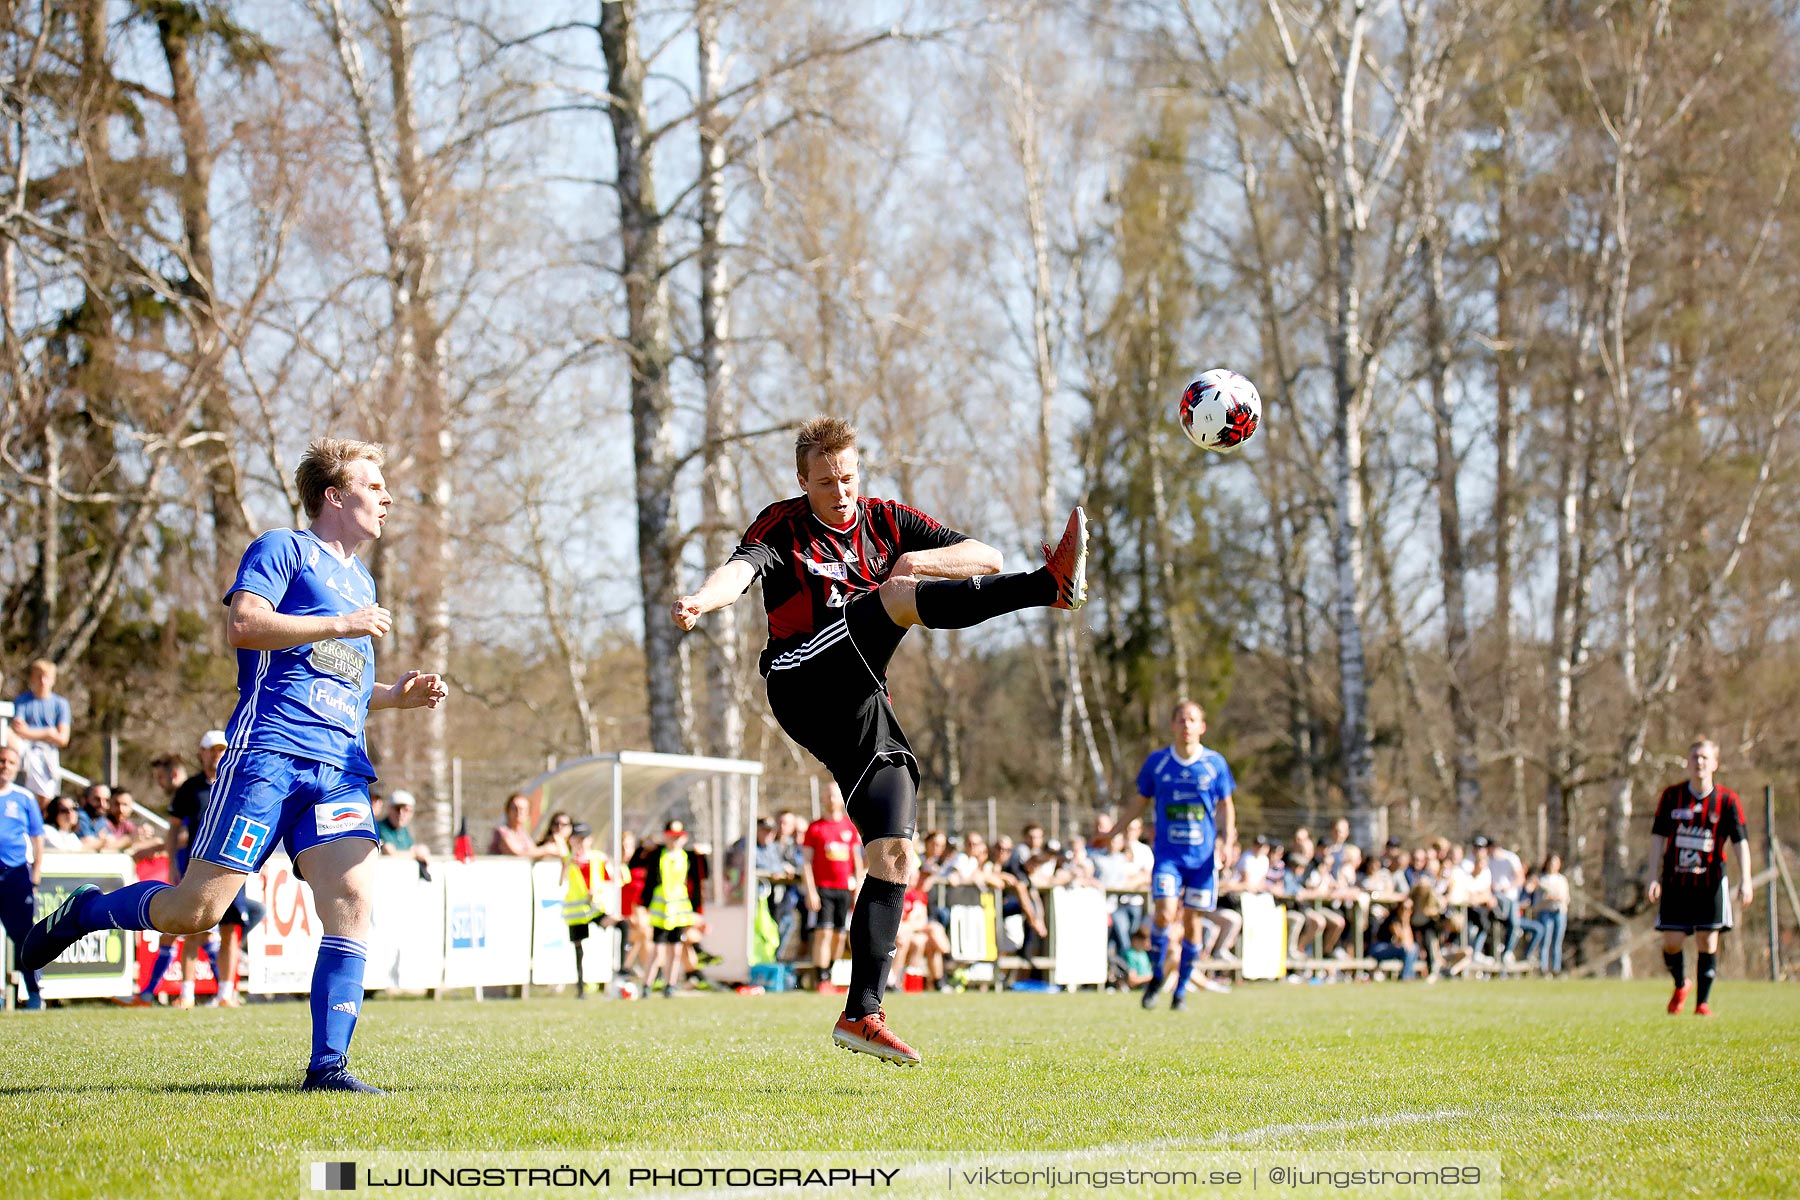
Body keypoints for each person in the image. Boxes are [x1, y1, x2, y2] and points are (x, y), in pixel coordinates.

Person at [20, 438, 446, 1091]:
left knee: (353, 898)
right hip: (267, 755)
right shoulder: (283, 549)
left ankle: (328, 1068)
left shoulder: (360, 581)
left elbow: (342, 685)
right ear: (335, 495)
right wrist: (340, 624)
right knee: (196, 913)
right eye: (374, 484)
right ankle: (84, 912)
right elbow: (245, 625)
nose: (387, 497)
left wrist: (395, 696)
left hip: (337, 767)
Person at [672, 416, 1087, 1064]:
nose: (839, 492)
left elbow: (987, 556)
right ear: (801, 480)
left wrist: (921, 560)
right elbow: (740, 571)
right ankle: (1050, 589)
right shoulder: (782, 525)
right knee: (895, 599)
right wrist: (701, 599)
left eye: (848, 477)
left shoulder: (886, 520)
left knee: (894, 851)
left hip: (862, 699)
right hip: (801, 677)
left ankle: (861, 1012)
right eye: (825, 481)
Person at [1118, 699, 1237, 1013]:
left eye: (1192, 720)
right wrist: (1117, 828)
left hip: (1202, 860)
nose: (1186, 725)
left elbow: (1226, 805)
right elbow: (1139, 802)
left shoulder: (1214, 763)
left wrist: (1227, 839)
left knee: (1193, 922)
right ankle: (1157, 975)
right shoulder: (1158, 763)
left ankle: (1181, 990)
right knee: (1163, 914)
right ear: (1172, 725)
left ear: (1202, 726)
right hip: (1169, 857)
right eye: (1181, 719)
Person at [1646, 737, 1753, 1016]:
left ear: (1715, 763)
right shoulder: (1672, 796)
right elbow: (1658, 837)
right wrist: (1652, 876)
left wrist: (1747, 879)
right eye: (1695, 757)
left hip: (1710, 883)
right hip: (1675, 882)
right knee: (1671, 941)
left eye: (1705, 757)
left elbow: (1741, 841)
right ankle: (1681, 983)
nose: (1699, 762)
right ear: (1688, 762)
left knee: (1708, 940)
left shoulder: (1727, 801)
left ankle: (1702, 1003)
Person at [801, 785, 863, 993]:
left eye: (834, 795)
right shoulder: (815, 828)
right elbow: (806, 862)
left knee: (839, 936)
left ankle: (830, 970)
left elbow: (857, 861)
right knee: (823, 933)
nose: (831, 799)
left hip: (844, 889)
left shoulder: (849, 828)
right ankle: (822, 977)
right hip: (823, 888)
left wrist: (858, 886)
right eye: (827, 795)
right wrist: (810, 890)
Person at [0, 746, 46, 1009]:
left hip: (16, 876)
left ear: (17, 766)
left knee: (25, 937)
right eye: (1, 760)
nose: (5, 765)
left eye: (10, 761)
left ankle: (34, 993)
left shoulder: (24, 798)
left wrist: (36, 872)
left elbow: (37, 837)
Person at [641, 820, 700, 998]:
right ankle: (647, 984)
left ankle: (670, 984)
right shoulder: (658, 854)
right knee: (657, 949)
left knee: (675, 949)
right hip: (661, 907)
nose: (674, 841)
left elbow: (697, 881)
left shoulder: (687, 856)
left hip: (679, 908)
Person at [560, 822, 619, 998]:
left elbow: (610, 881)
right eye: (576, 839)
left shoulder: (598, 858)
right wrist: (567, 863)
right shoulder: (569, 859)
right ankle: (580, 988)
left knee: (620, 924)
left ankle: (622, 970)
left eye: (583, 838)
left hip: (594, 908)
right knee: (579, 949)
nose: (580, 842)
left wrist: (597, 891)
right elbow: (561, 882)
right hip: (576, 912)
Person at [11, 660, 71, 809]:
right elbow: (18, 730)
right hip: (25, 752)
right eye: (39, 676)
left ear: (53, 679)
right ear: (32, 678)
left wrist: (31, 732)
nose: (42, 681)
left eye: (46, 677)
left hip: (47, 755)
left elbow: (63, 738)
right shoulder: (22, 700)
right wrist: (48, 732)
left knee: (46, 794)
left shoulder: (60, 704)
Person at [377, 789, 432, 878]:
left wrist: (421, 850)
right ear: (389, 809)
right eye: (397, 809)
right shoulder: (380, 827)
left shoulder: (404, 830)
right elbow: (391, 853)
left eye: (406, 810)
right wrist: (415, 854)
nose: (401, 814)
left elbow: (412, 847)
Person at [491, 793, 558, 859]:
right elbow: (517, 854)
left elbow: (532, 851)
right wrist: (546, 850)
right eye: (515, 808)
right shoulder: (502, 831)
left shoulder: (523, 833)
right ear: (508, 811)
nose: (519, 812)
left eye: (522, 809)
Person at [1535, 853, 1570, 976]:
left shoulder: (1562, 880)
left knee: (1557, 942)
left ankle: (1556, 968)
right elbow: (1539, 899)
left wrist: (1557, 898)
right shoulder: (1541, 879)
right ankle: (1543, 968)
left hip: (1559, 912)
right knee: (1545, 940)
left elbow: (1565, 897)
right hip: (1545, 912)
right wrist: (1550, 897)